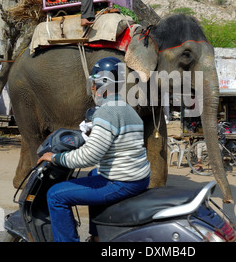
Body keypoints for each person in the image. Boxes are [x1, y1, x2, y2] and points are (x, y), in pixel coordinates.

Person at [37, 57, 151, 242]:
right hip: (137, 177)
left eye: (94, 83)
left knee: (55, 195)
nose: (93, 89)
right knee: (93, 174)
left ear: (103, 84)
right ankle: (97, 236)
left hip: (122, 181)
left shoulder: (107, 112)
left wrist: (56, 158)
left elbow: (90, 156)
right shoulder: (126, 108)